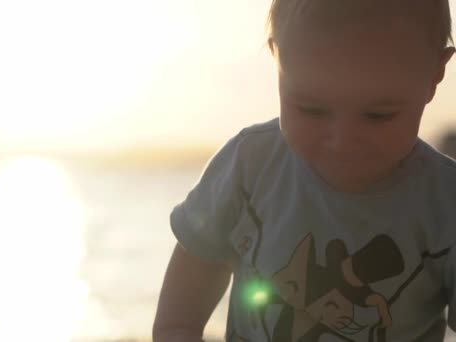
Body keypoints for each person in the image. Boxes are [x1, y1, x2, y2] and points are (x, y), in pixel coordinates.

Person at [153, 0, 456, 341]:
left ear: (435, 75)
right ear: (277, 57)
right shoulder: (250, 165)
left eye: (378, 115)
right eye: (311, 110)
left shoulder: (446, 204)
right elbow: (190, 285)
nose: (342, 141)